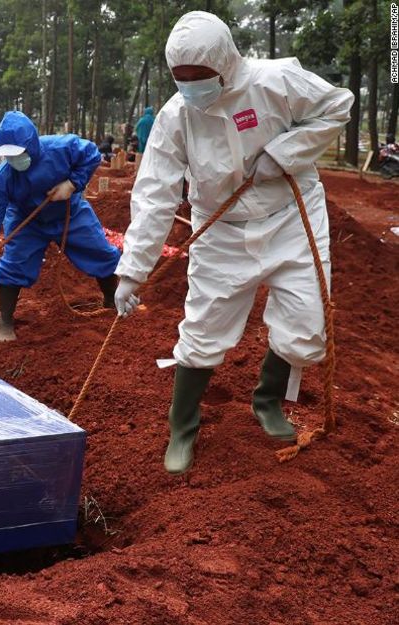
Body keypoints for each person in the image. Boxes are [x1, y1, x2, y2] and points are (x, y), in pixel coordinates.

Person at [113, 11, 352, 474]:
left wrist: (285, 154)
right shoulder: (175, 117)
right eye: (180, 79)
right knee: (203, 329)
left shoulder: (275, 81)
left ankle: (267, 401)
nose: (190, 87)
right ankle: (182, 427)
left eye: (199, 77)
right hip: (220, 230)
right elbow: (155, 193)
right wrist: (132, 270)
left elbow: (337, 106)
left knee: (308, 327)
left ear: (225, 64)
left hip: (291, 217)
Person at [0, 111, 121, 343]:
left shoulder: (60, 148)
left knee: (99, 251)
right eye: (9, 155)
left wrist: (73, 183)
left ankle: (111, 299)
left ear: (31, 144)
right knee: (14, 263)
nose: (14, 160)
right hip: (27, 221)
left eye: (19, 154)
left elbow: (92, 153)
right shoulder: (4, 177)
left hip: (69, 212)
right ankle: (5, 318)